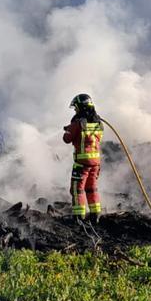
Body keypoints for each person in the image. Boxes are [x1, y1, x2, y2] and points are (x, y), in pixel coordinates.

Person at [63, 93, 104, 223]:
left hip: (82, 164)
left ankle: (79, 217)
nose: (75, 110)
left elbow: (66, 139)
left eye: (76, 107)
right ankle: (95, 215)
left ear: (81, 107)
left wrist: (69, 129)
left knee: (77, 189)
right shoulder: (99, 123)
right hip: (95, 164)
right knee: (92, 188)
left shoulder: (78, 123)